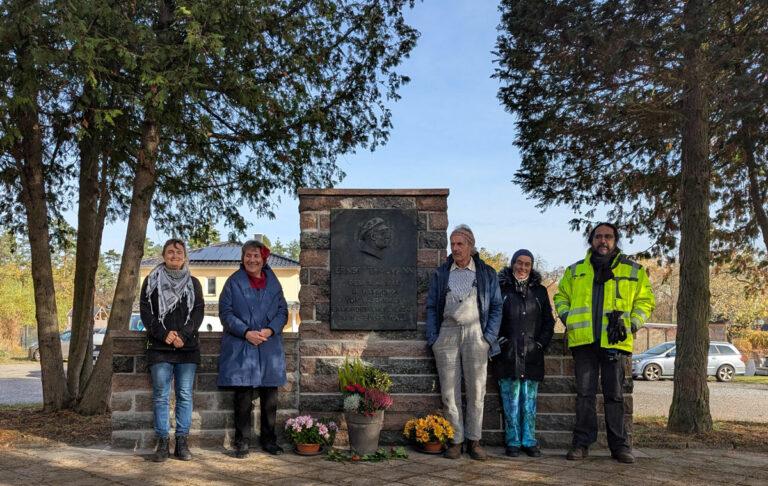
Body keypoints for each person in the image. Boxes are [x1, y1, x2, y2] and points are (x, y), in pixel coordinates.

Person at [554, 223, 655, 463]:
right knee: (585, 395)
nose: (603, 241)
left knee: (615, 396)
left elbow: (645, 301)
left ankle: (619, 446)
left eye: (608, 237)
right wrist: (567, 316)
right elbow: (561, 297)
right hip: (584, 342)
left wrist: (632, 323)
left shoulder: (634, 271)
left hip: (615, 342)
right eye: (598, 236)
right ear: (591, 241)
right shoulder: (575, 271)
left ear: (615, 240)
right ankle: (581, 444)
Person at [425, 224, 502, 460]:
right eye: (453, 244)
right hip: (446, 334)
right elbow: (430, 307)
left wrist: (488, 338)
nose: (455, 248)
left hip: (475, 333)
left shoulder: (486, 273)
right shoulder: (441, 273)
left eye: (460, 244)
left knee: (477, 391)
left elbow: (497, 306)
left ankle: (474, 440)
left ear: (471, 245)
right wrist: (434, 339)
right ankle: (456, 440)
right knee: (449, 392)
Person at [217, 240, 288, 458]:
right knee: (243, 398)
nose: (252, 260)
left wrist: (270, 330)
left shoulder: (274, 283)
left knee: (270, 399)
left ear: (263, 258)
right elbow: (226, 313)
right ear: (242, 257)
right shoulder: (232, 282)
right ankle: (242, 442)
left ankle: (269, 440)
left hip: (268, 345)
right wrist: (246, 332)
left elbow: (283, 311)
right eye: (248, 255)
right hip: (242, 345)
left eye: (256, 256)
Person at [140, 239, 204, 462]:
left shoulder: (194, 283)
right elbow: (146, 313)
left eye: (179, 252)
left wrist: (183, 336)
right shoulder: (151, 282)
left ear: (185, 256)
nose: (175, 255)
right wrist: (164, 334)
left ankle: (182, 443)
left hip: (187, 349)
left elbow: (198, 313)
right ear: (163, 255)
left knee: (184, 395)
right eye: (170, 251)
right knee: (161, 396)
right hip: (159, 348)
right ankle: (162, 443)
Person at [492, 250, 554, 458]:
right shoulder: (501, 289)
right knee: (511, 399)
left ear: (532, 267)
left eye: (527, 264)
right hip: (507, 355)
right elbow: (492, 317)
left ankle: (529, 440)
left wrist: (539, 344)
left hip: (531, 355)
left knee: (529, 401)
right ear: (512, 264)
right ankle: (513, 441)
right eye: (519, 263)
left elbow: (548, 322)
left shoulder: (540, 292)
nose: (523, 268)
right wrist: (499, 342)